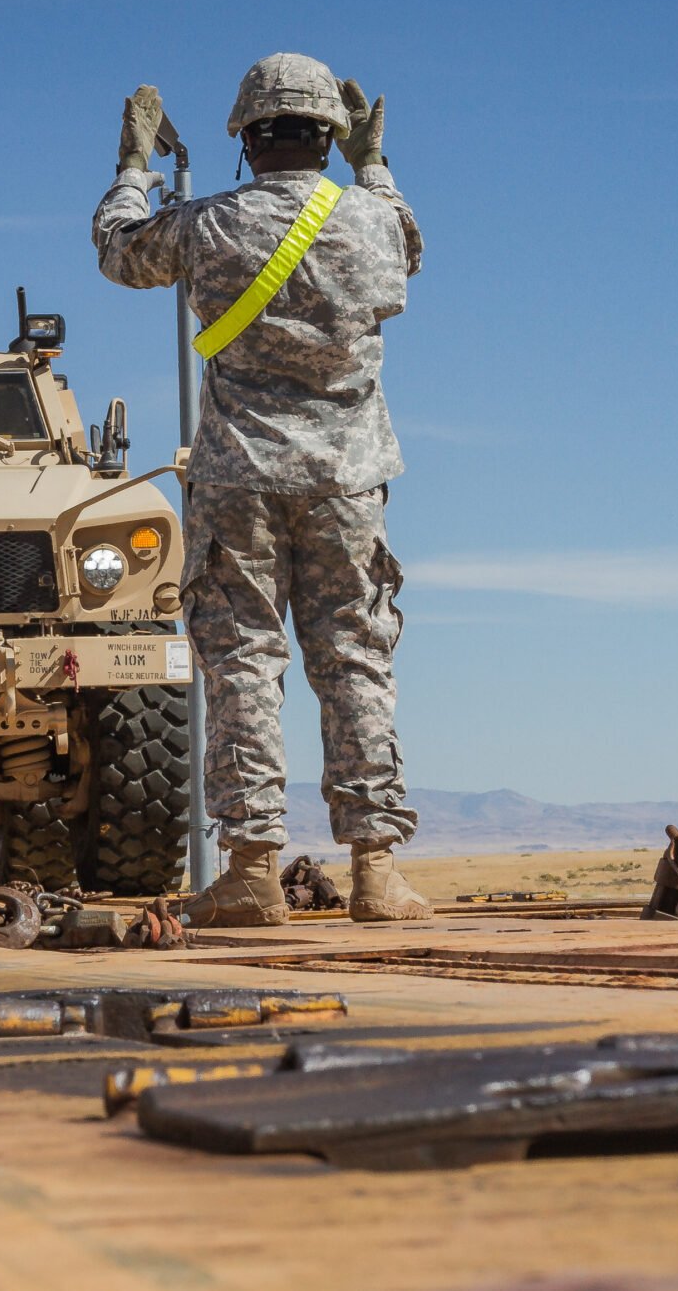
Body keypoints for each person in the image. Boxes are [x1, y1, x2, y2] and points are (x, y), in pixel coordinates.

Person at [93, 52, 432, 927]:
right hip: (348, 481)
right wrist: (373, 164)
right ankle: (377, 872)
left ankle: (250, 870)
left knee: (243, 657)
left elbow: (119, 254)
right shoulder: (371, 223)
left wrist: (133, 166)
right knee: (355, 654)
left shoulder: (207, 224)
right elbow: (408, 239)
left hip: (239, 475)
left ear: (244, 138)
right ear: (328, 134)